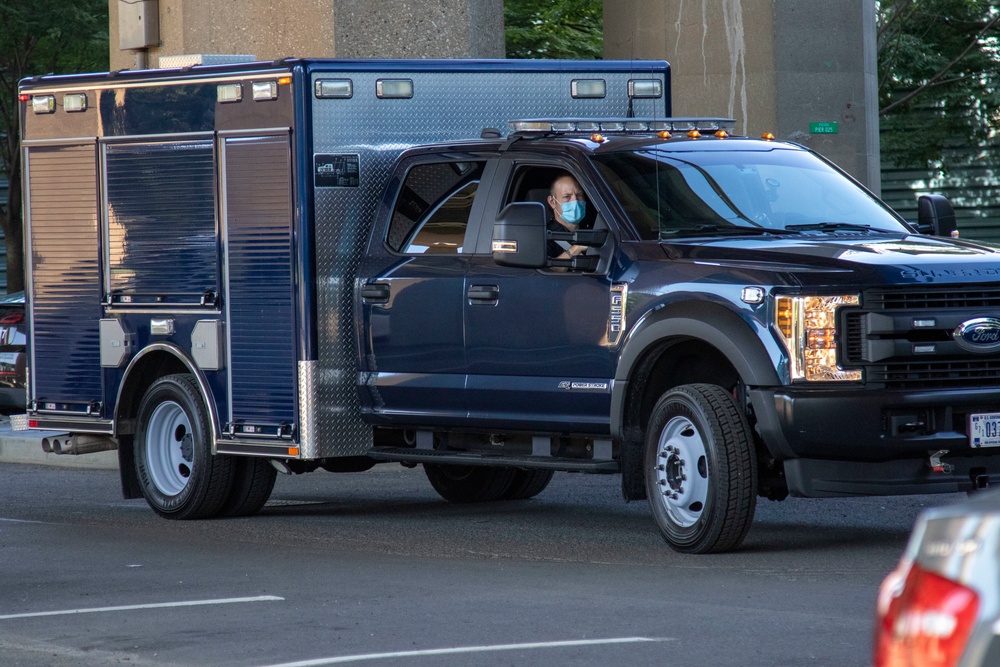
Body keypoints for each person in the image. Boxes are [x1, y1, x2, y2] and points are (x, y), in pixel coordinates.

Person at [546, 172, 589, 260]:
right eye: (567, 197)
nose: (575, 201)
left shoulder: (593, 229)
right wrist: (575, 250)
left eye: (579, 195)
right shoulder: (545, 236)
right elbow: (547, 268)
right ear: (552, 202)